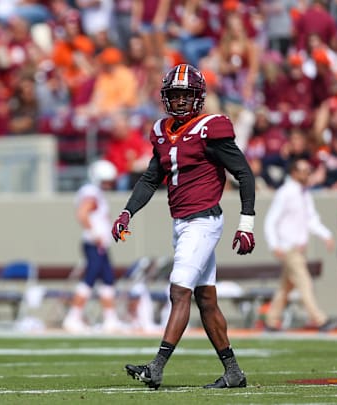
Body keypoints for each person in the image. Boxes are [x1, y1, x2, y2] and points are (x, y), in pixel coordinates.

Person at [111, 64, 255, 390]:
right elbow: (150, 178)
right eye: (173, 95)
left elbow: (244, 174)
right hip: (183, 223)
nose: (178, 101)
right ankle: (233, 372)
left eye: (184, 94)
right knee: (206, 299)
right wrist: (126, 213)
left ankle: (157, 367)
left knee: (179, 291)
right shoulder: (162, 131)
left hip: (203, 221)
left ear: (198, 97)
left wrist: (246, 223)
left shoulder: (210, 129)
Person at [263, 157, 337, 332]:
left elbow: (311, 219)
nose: (308, 174)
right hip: (289, 248)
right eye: (304, 170)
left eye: (309, 171)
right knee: (305, 283)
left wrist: (326, 235)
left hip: (298, 250)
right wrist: (275, 245)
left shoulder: (304, 193)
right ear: (294, 173)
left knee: (285, 287)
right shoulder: (286, 192)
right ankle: (320, 320)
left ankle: (271, 321)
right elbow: (271, 220)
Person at [62, 159, 123, 333]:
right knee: (90, 279)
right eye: (105, 180)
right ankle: (73, 317)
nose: (108, 184)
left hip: (100, 244)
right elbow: (82, 213)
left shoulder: (96, 192)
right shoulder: (91, 192)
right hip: (94, 243)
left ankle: (110, 320)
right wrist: (95, 233)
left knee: (108, 280)